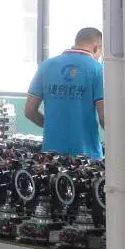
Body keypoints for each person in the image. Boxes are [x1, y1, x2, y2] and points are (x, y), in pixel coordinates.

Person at [25, 26, 105, 158]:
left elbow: (29, 111)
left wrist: (52, 127)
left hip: (51, 155)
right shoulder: (98, 69)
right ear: (96, 48)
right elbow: (104, 117)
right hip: (87, 157)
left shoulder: (46, 66)